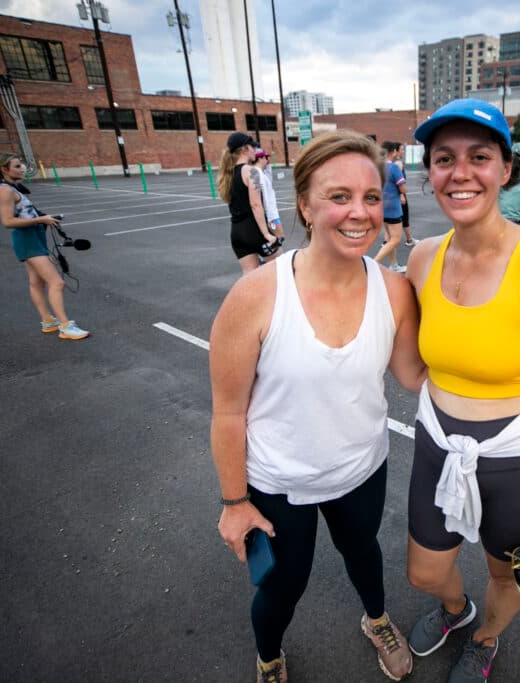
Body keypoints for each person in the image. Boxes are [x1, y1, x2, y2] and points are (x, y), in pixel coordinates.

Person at [210, 130, 426, 683]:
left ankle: (376, 618)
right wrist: (235, 502)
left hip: (361, 467)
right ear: (305, 204)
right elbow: (228, 413)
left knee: (364, 554)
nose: (360, 213)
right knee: (284, 586)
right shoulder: (255, 296)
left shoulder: (394, 291)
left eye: (372, 197)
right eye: (339, 196)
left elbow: (414, 376)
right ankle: (270, 658)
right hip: (280, 480)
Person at [405, 98, 520, 683]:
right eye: (444, 159)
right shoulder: (421, 259)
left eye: (479, 157)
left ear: (507, 169)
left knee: (507, 575)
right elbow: (411, 369)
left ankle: (485, 637)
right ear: (430, 171)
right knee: (425, 573)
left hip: (517, 460)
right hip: (437, 441)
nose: (460, 173)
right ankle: (457, 612)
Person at [0, 153, 88, 340]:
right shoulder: (6, 190)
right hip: (28, 239)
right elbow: (7, 221)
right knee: (57, 282)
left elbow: (25, 214)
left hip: (33, 236)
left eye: (22, 165)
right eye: (17, 166)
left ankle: (48, 321)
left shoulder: (13, 188)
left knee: (36, 282)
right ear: (4, 169)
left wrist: (45, 219)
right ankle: (65, 327)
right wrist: (41, 219)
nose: (23, 169)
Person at [218, 132, 281, 274]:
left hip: (237, 233)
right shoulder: (252, 172)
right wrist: (266, 234)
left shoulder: (227, 174)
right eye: (252, 146)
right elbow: (256, 205)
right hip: (254, 230)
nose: (255, 150)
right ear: (244, 149)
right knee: (281, 269)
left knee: (250, 277)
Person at [376, 140, 408, 273]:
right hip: (393, 208)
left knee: (389, 237)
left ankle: (393, 264)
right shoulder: (394, 167)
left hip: (381, 206)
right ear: (392, 152)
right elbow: (403, 188)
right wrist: (401, 193)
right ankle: (373, 263)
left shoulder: (377, 167)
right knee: (396, 239)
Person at [254, 148, 285, 239]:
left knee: (276, 240)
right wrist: (266, 216)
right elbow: (258, 195)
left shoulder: (261, 172)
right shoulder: (255, 173)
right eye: (265, 157)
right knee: (280, 238)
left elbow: (269, 179)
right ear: (260, 158)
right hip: (270, 215)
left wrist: (268, 166)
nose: (267, 160)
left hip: (271, 214)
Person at [392, 144, 417, 247]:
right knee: (403, 217)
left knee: (392, 218)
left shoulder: (391, 164)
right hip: (399, 194)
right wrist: (402, 195)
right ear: (396, 151)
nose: (403, 151)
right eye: (401, 149)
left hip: (395, 195)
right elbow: (398, 182)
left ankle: (386, 241)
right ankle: (409, 239)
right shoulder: (398, 163)